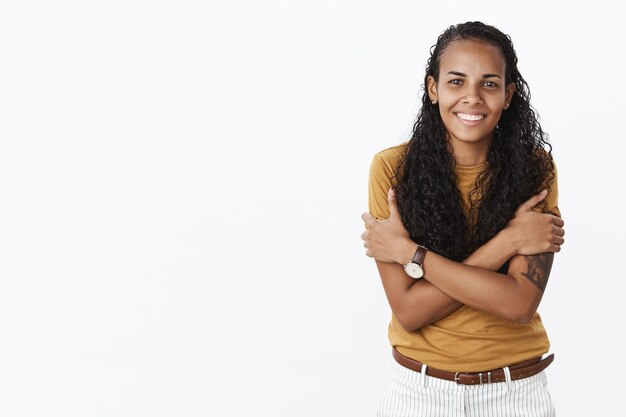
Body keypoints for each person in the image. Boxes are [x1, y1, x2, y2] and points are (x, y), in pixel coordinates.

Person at [361, 22, 565, 417]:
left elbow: (519, 303)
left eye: (489, 84)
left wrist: (410, 254)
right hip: (418, 393)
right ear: (433, 88)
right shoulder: (391, 170)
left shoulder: (535, 169)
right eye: (456, 81)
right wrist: (506, 243)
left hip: (515, 393)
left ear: (508, 95)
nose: (471, 97)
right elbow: (410, 312)